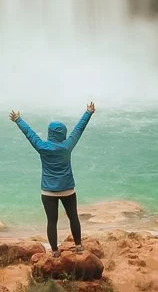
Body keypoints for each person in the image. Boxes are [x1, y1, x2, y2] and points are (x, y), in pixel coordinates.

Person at [9, 102, 95, 253]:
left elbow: (30, 134)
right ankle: (79, 246)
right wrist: (88, 112)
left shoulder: (42, 147)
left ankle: (54, 251)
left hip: (48, 192)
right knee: (73, 217)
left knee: (51, 221)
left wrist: (18, 120)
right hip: (67, 189)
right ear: (63, 133)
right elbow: (78, 129)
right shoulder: (67, 146)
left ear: (50, 133)